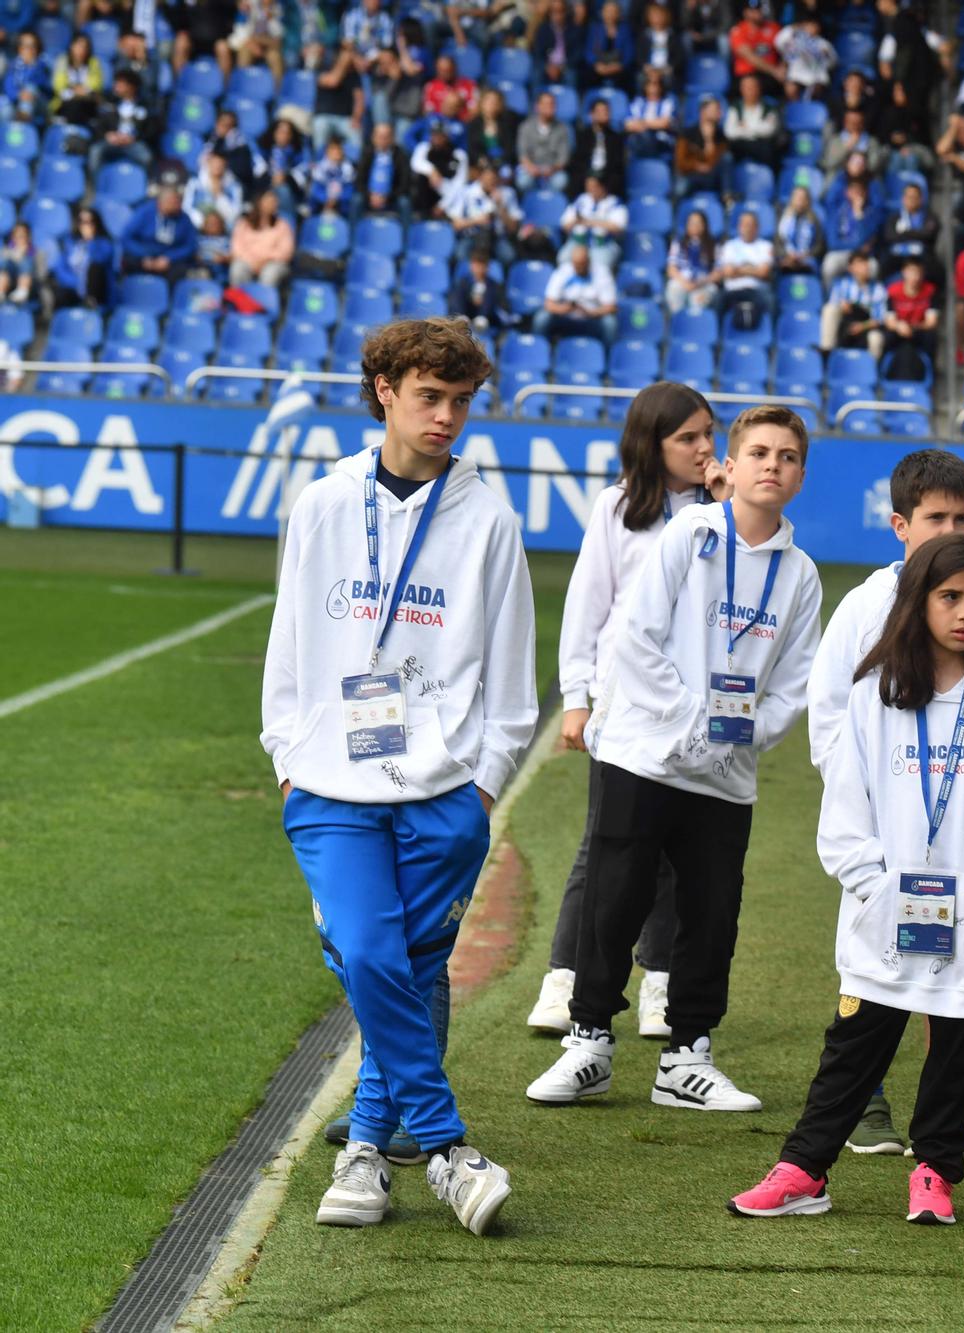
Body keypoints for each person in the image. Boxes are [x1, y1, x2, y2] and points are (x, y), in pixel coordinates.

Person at [261, 319, 533, 1236]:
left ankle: (366, 1156)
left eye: (460, 401)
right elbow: (291, 642)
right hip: (330, 787)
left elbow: (512, 675)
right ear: (384, 389)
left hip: (443, 793)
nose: (448, 416)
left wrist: (483, 786)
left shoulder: (489, 519)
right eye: (430, 397)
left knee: (413, 970)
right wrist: (286, 760)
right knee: (373, 958)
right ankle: (450, 1147)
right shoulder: (325, 503)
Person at [728, 532, 964, 1226]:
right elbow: (845, 812)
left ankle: (934, 1170)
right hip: (884, 915)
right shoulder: (875, 695)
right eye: (950, 596)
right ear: (917, 602)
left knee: (959, 1043)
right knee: (856, 1042)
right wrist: (876, 890)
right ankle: (804, 1169)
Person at [527, 407, 822, 1111]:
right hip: (644, 753)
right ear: (734, 460)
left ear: (801, 475)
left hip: (725, 775)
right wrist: (693, 720)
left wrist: (740, 736)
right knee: (615, 897)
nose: (772, 465)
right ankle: (589, 1041)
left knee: (711, 913)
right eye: (758, 451)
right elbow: (635, 637)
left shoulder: (800, 574)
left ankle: (687, 1056)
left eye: (786, 456)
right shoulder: (692, 535)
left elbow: (794, 683)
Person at [805, 450, 964, 1130]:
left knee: (958, 974)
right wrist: (874, 808)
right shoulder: (864, 606)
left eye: (963, 517)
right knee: (873, 970)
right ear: (900, 524)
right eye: (936, 517)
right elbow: (831, 720)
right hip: (889, 826)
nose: (950, 530)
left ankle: (940, 1121)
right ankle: (868, 1096)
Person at [527, 384, 727, 1034]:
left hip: (693, 707)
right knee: (604, 846)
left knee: (676, 851)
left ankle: (659, 985)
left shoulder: (726, 512)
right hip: (623, 707)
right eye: (687, 437)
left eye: (708, 434)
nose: (703, 448)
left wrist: (726, 507)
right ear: (653, 443)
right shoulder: (618, 507)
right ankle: (567, 978)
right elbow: (588, 607)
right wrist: (577, 700)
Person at [535, 243, 619, 345]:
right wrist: (564, 309)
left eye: (582, 264)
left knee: (609, 323)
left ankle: (607, 355)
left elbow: (611, 307)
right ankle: (541, 352)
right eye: (576, 264)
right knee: (542, 318)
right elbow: (548, 303)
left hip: (592, 317)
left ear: (588, 261)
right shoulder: (563, 271)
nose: (578, 268)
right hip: (566, 316)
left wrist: (592, 312)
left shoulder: (601, 272)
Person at [120, 186, 197, 281]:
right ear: (160, 203)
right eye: (172, 202)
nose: (177, 205)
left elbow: (190, 246)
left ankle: (169, 295)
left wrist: (169, 258)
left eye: (178, 202)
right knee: (128, 259)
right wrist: (143, 256)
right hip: (144, 255)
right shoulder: (145, 212)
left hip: (169, 259)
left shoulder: (184, 219)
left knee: (183, 268)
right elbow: (126, 237)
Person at [822, 250, 888, 359]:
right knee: (830, 309)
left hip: (866, 326)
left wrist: (862, 326)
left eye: (866, 262)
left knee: (876, 338)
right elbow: (833, 305)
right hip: (845, 324)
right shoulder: (841, 285)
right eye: (860, 263)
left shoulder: (878, 289)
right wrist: (841, 306)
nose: (864, 266)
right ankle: (827, 351)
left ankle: (871, 370)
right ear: (851, 268)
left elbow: (880, 319)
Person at [229, 189, 294, 289]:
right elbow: (237, 248)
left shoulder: (283, 225)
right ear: (259, 202)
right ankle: (240, 302)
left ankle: (264, 303)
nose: (274, 204)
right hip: (248, 261)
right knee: (237, 268)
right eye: (269, 201)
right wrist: (252, 260)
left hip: (272, 263)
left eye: (275, 202)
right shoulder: (244, 224)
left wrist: (265, 259)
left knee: (270, 273)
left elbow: (286, 252)